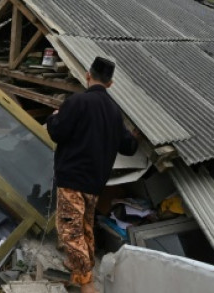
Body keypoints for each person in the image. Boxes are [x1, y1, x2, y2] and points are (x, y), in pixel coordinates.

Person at [46, 56, 138, 293]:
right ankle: (79, 275)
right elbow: (129, 147)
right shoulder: (114, 112)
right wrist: (135, 134)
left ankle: (87, 285)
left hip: (72, 181)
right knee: (85, 229)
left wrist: (53, 117)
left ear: (88, 75)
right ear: (110, 83)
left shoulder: (77, 102)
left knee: (70, 232)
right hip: (94, 184)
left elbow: (57, 132)